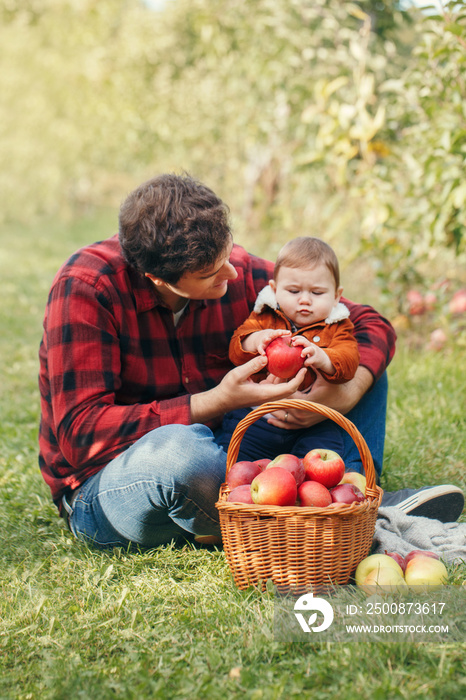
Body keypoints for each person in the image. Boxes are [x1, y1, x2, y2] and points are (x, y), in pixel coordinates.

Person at [38, 173, 464, 550]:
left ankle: (341, 494)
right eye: (211, 274)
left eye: (227, 255)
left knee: (351, 354)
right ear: (158, 279)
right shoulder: (88, 288)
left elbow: (369, 322)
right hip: (115, 485)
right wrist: (216, 400)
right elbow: (82, 435)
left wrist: (344, 390)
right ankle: (346, 520)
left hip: (232, 455)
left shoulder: (228, 266)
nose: (233, 275)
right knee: (181, 456)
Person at [217, 236, 360, 460]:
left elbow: (349, 361)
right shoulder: (264, 317)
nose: (305, 300)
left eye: (317, 293)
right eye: (294, 291)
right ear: (274, 290)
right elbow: (236, 349)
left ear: (336, 296)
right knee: (234, 460)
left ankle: (314, 492)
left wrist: (324, 358)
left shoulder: (338, 327)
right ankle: (236, 491)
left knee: (326, 456)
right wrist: (255, 340)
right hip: (257, 415)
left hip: (312, 422)